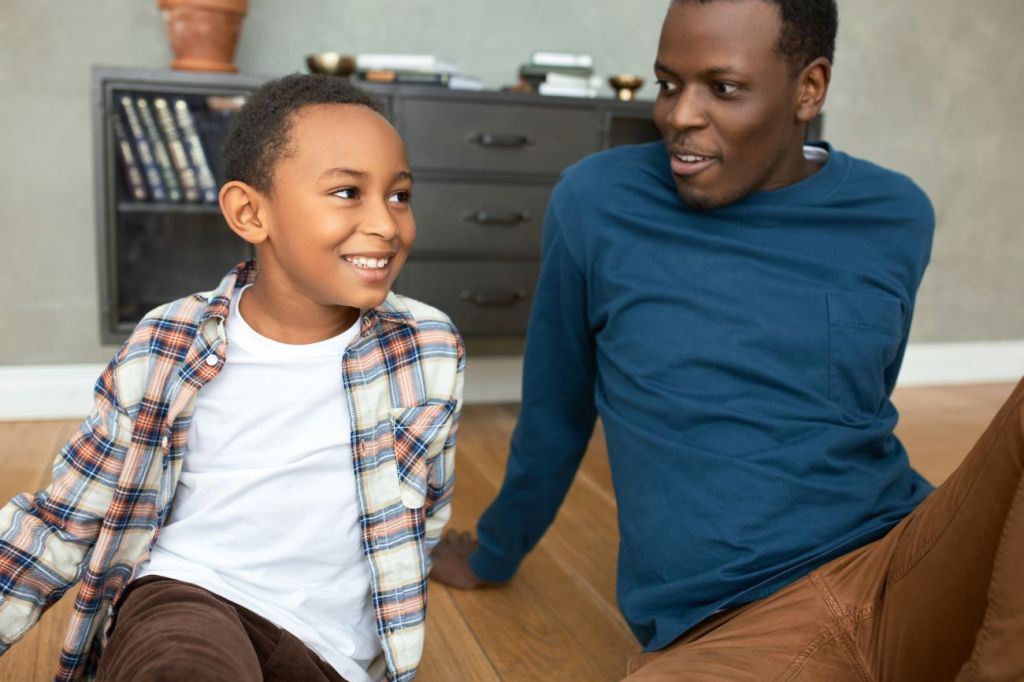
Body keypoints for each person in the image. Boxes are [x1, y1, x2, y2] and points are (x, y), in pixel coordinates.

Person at [431, 1, 1023, 680]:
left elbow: (856, 398)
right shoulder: (597, 201)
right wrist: (494, 550)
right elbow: (558, 408)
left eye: (724, 87)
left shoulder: (896, 213)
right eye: (668, 83)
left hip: (904, 559)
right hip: (730, 628)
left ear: (809, 88)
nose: (681, 114)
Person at [0, 74, 464, 682]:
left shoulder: (429, 347)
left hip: (330, 652)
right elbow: (66, 517)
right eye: (348, 192)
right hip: (188, 601)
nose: (386, 223)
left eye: (399, 196)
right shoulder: (166, 343)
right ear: (250, 212)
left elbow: (425, 517)